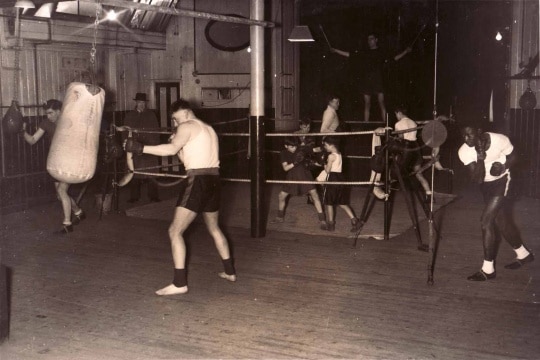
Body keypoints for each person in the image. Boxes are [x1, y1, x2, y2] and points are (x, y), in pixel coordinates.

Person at [124, 99, 236, 295]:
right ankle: (230, 271)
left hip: (199, 181)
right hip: (214, 180)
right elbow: (186, 160)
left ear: (184, 113)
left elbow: (171, 150)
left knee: (175, 231)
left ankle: (179, 283)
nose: (175, 124)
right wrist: (177, 145)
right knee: (214, 227)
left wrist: (140, 148)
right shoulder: (207, 128)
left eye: (175, 119)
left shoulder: (187, 125)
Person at [458, 123, 534, 281]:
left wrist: (504, 165)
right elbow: (477, 179)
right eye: (463, 136)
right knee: (501, 221)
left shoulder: (499, 139)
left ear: (479, 131)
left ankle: (488, 269)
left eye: (469, 135)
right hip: (486, 185)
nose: (466, 139)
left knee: (486, 221)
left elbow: (515, 156)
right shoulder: (464, 151)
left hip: (503, 181)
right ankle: (524, 254)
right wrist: (480, 158)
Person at [21, 99, 86, 234]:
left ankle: (67, 223)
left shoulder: (69, 121)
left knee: (62, 191)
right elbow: (32, 140)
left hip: (70, 160)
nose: (48, 116)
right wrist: (22, 131)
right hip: (56, 161)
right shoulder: (46, 123)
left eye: (50, 113)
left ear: (58, 111)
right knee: (60, 194)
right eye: (47, 113)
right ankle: (79, 212)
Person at [330, 33, 411, 122]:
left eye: (371, 39)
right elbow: (351, 55)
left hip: (378, 80)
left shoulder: (381, 52)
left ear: (376, 40)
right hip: (367, 81)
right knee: (367, 104)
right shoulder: (365, 52)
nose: (369, 41)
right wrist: (336, 51)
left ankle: (385, 124)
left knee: (381, 103)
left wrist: (405, 52)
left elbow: (394, 59)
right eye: (368, 39)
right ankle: (366, 125)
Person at [271, 137, 327, 230]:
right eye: (291, 147)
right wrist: (295, 162)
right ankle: (280, 217)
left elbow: (316, 149)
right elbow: (285, 168)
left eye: (295, 146)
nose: (294, 148)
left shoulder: (301, 149)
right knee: (281, 196)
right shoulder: (284, 153)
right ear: (286, 146)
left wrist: (325, 148)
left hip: (305, 174)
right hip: (292, 176)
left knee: (315, 195)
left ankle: (322, 220)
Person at [122, 93, 160, 203]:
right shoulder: (129, 115)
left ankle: (153, 196)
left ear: (145, 103)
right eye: (139, 102)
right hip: (134, 147)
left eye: (143, 102)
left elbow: (156, 131)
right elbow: (124, 131)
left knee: (152, 172)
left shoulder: (151, 115)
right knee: (133, 171)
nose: (141, 104)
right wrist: (126, 145)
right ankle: (134, 196)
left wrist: (155, 146)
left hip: (149, 147)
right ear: (136, 103)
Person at [320, 136, 360, 232]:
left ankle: (331, 225)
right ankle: (354, 221)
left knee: (329, 203)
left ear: (331, 145)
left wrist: (323, 162)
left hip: (333, 179)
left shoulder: (331, 156)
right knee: (342, 202)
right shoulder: (339, 154)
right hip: (340, 179)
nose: (325, 147)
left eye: (325, 145)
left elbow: (328, 171)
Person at [393, 104, 432, 203]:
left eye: (396, 114)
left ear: (399, 113)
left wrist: (393, 137)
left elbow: (401, 137)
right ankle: (429, 194)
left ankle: (387, 192)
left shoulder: (398, 124)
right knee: (419, 173)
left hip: (407, 149)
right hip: (416, 148)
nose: (396, 116)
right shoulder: (413, 122)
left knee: (395, 170)